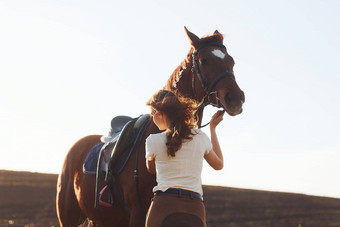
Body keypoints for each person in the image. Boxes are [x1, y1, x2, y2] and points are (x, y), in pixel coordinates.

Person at [145, 89, 224, 227]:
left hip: (163, 206)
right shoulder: (200, 136)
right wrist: (212, 128)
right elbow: (219, 165)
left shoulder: (153, 140)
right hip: (195, 207)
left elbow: (151, 170)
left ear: (159, 114)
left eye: (153, 114)